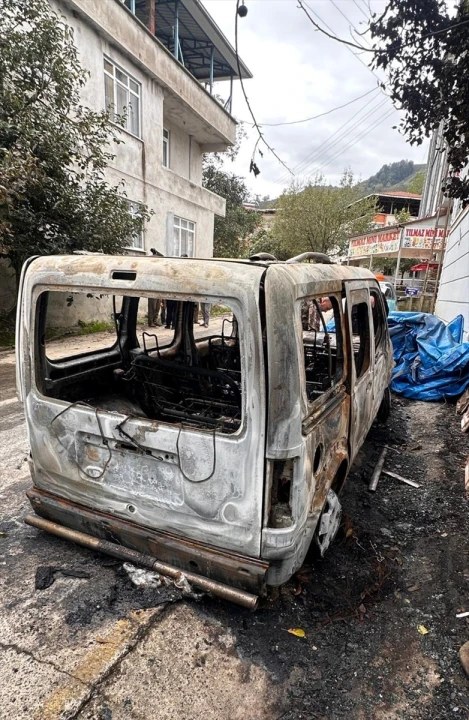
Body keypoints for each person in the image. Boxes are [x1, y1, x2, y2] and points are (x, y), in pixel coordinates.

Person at [148, 248, 164, 326]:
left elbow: (163, 257)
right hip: (152, 289)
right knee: (152, 306)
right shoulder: (150, 269)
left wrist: (156, 252)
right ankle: (150, 322)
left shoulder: (159, 270)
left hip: (159, 289)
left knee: (158, 306)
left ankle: (155, 320)